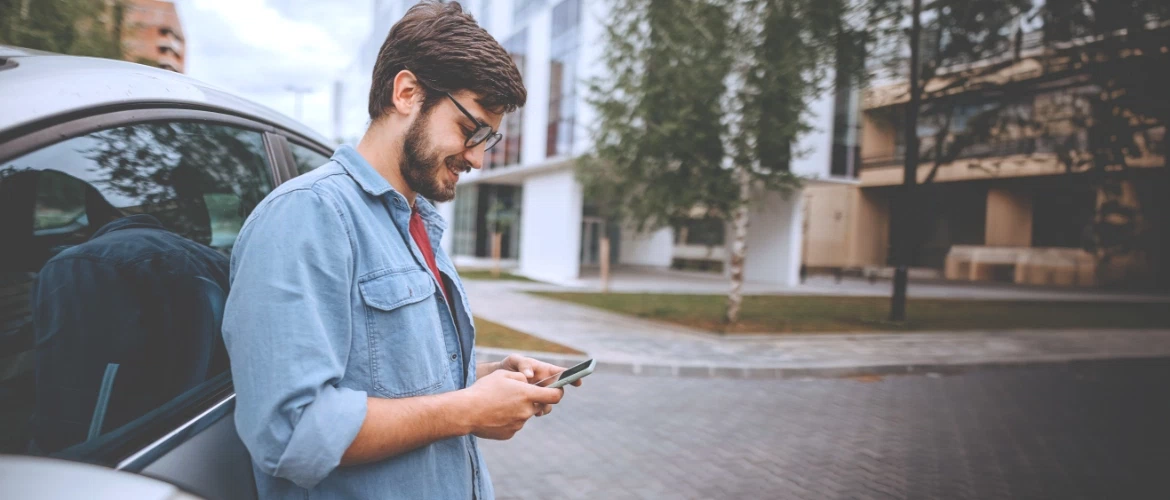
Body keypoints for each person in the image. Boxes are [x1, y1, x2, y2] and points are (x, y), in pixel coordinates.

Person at [221, 2, 579, 498]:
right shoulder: (307, 216)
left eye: (489, 139)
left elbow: (387, 375)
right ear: (407, 93)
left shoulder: (417, 223)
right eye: (471, 129)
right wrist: (468, 409)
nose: (477, 156)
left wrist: (485, 381)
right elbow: (293, 432)